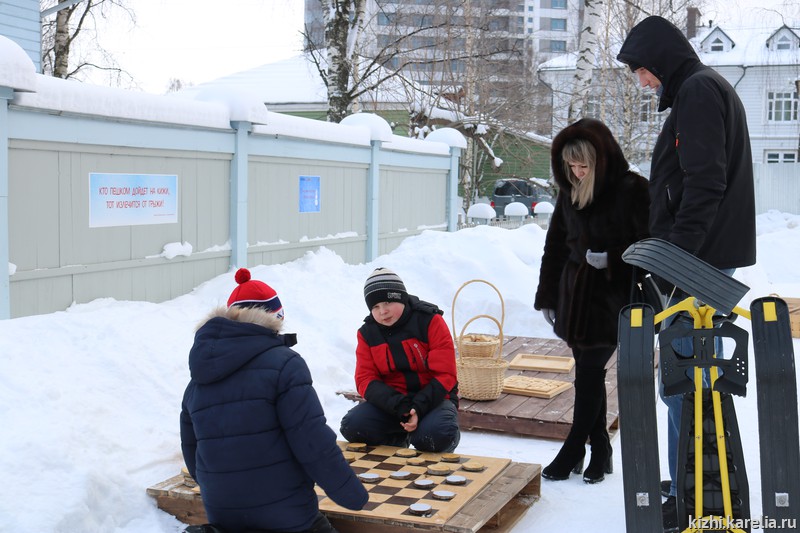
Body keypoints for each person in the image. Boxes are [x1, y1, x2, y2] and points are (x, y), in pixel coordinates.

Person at [617, 15, 756, 531]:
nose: (642, 82)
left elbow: (704, 183)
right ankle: (688, 480)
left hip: (700, 261)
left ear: (660, 59)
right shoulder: (703, 88)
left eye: (641, 70)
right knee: (688, 377)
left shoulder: (698, 91)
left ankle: (691, 491)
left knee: (685, 380)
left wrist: (677, 261)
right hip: (704, 257)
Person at [180, 268, 368, 533]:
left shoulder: (198, 379)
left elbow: (191, 448)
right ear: (273, 319)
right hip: (285, 514)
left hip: (222, 512)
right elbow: (311, 440)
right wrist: (351, 494)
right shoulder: (285, 364)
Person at [534, 118, 650, 484]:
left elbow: (650, 243)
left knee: (589, 373)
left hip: (612, 299)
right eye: (571, 165)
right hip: (574, 296)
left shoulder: (633, 189)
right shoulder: (569, 190)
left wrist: (613, 258)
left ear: (602, 159)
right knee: (587, 375)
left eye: (584, 165)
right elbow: (555, 245)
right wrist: (548, 297)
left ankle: (572, 448)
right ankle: (600, 447)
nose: (577, 172)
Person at [340, 267, 461, 453]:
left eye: (388, 302)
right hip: (393, 404)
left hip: (434, 400)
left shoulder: (430, 321)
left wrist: (418, 408)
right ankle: (396, 440)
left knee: (435, 435)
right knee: (353, 426)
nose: (383, 311)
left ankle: (437, 440)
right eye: (375, 307)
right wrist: (399, 407)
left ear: (401, 298)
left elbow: (446, 374)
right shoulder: (367, 333)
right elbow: (365, 379)